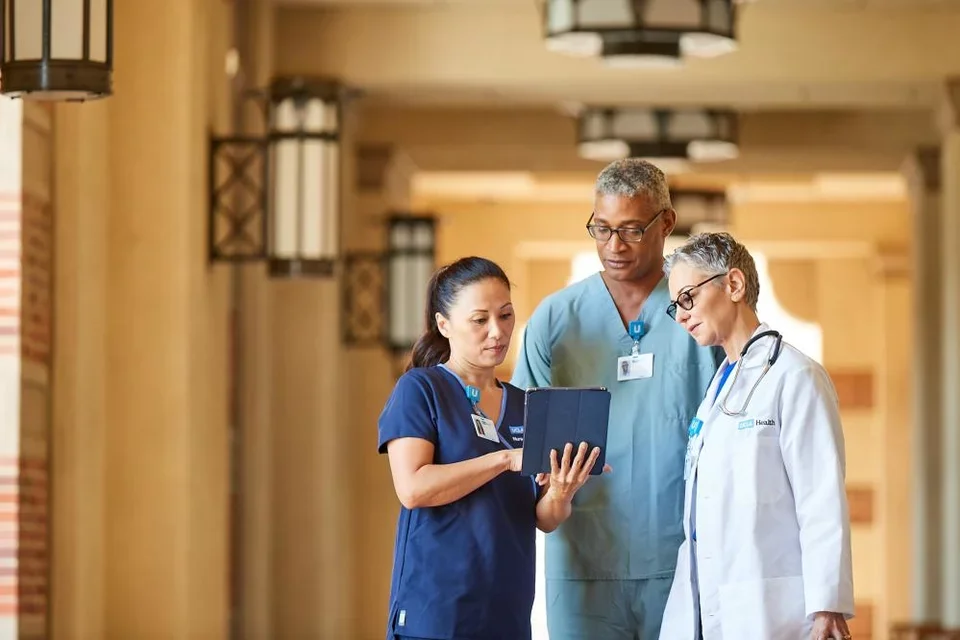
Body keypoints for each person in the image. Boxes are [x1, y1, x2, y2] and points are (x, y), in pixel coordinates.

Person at [512, 159, 724, 639]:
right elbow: (525, 441)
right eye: (601, 229)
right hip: (584, 558)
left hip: (683, 557)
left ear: (666, 223)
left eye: (631, 229)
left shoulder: (703, 313)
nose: (614, 246)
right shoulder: (555, 320)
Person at [378, 256, 604, 640]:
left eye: (506, 315)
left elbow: (543, 518)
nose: (497, 332)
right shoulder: (421, 390)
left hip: (507, 615)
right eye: (480, 320)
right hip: (437, 614)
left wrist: (562, 490)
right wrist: (503, 459)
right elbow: (413, 489)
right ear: (443, 324)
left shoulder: (526, 404)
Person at [658, 232, 854, 640]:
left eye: (688, 297)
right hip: (707, 603)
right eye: (675, 305)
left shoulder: (795, 377)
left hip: (773, 609)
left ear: (733, 285)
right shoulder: (718, 390)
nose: (680, 315)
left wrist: (827, 606)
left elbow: (821, 499)